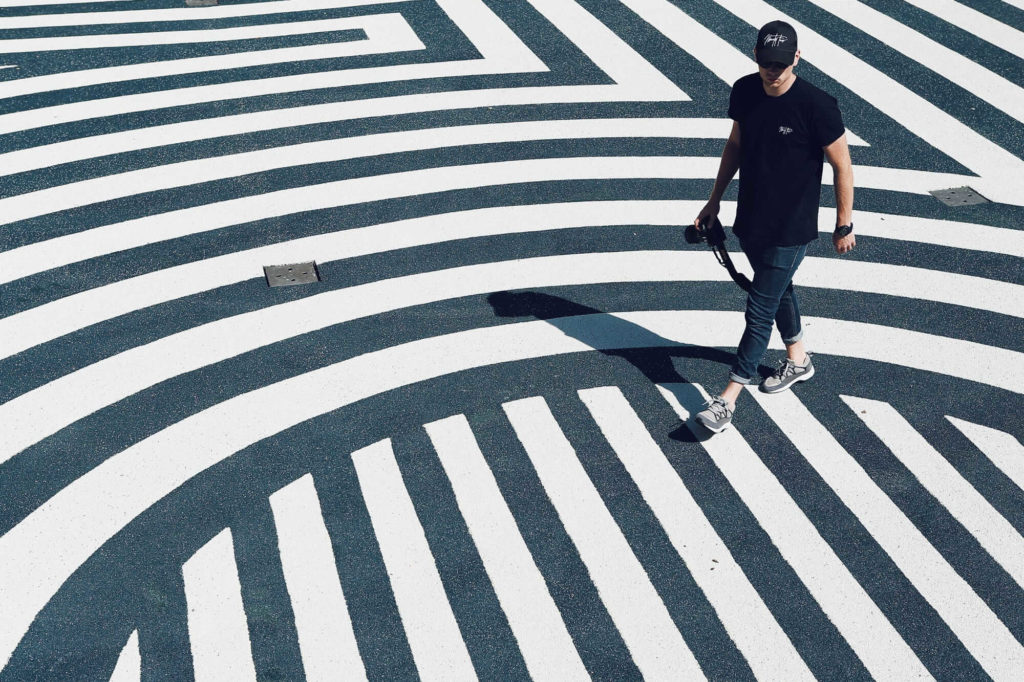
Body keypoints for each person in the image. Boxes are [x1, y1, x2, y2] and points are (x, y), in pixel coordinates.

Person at [694, 19, 855, 433]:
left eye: (781, 63)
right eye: (767, 62)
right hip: (751, 219)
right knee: (777, 288)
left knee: (759, 308)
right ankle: (798, 359)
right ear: (755, 56)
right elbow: (735, 144)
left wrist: (843, 223)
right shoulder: (745, 90)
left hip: (791, 228)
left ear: (797, 58)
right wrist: (714, 200)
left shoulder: (818, 105)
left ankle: (727, 398)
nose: (773, 70)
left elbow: (842, 165)